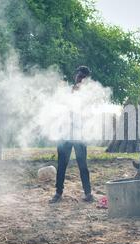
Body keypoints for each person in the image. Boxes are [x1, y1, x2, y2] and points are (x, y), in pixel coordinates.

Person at [49, 66, 94, 203]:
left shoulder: (88, 96)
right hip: (65, 134)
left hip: (79, 135)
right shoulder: (68, 92)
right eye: (78, 76)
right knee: (61, 165)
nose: (79, 79)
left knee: (83, 166)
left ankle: (88, 193)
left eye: (82, 77)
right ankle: (58, 193)